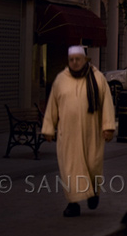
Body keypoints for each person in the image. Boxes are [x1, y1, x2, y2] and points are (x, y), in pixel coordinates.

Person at [42, 46, 116, 218]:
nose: (75, 63)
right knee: (70, 170)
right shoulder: (61, 80)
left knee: (92, 165)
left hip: (92, 133)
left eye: (78, 59)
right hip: (67, 135)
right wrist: (48, 128)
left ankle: (94, 192)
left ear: (85, 60)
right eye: (71, 60)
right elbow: (52, 106)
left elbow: (107, 104)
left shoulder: (97, 79)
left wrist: (108, 127)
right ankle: (72, 204)